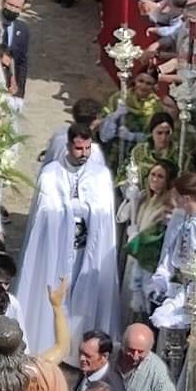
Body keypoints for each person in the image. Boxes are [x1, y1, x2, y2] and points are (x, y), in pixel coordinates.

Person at [17, 127, 119, 354]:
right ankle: (50, 343)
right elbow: (46, 211)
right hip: (57, 250)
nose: (84, 153)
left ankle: (80, 347)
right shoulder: (51, 173)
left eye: (87, 148)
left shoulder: (100, 174)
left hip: (85, 250)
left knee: (83, 299)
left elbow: (104, 211)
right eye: (79, 148)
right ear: (68, 146)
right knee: (55, 294)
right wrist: (69, 209)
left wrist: (81, 208)